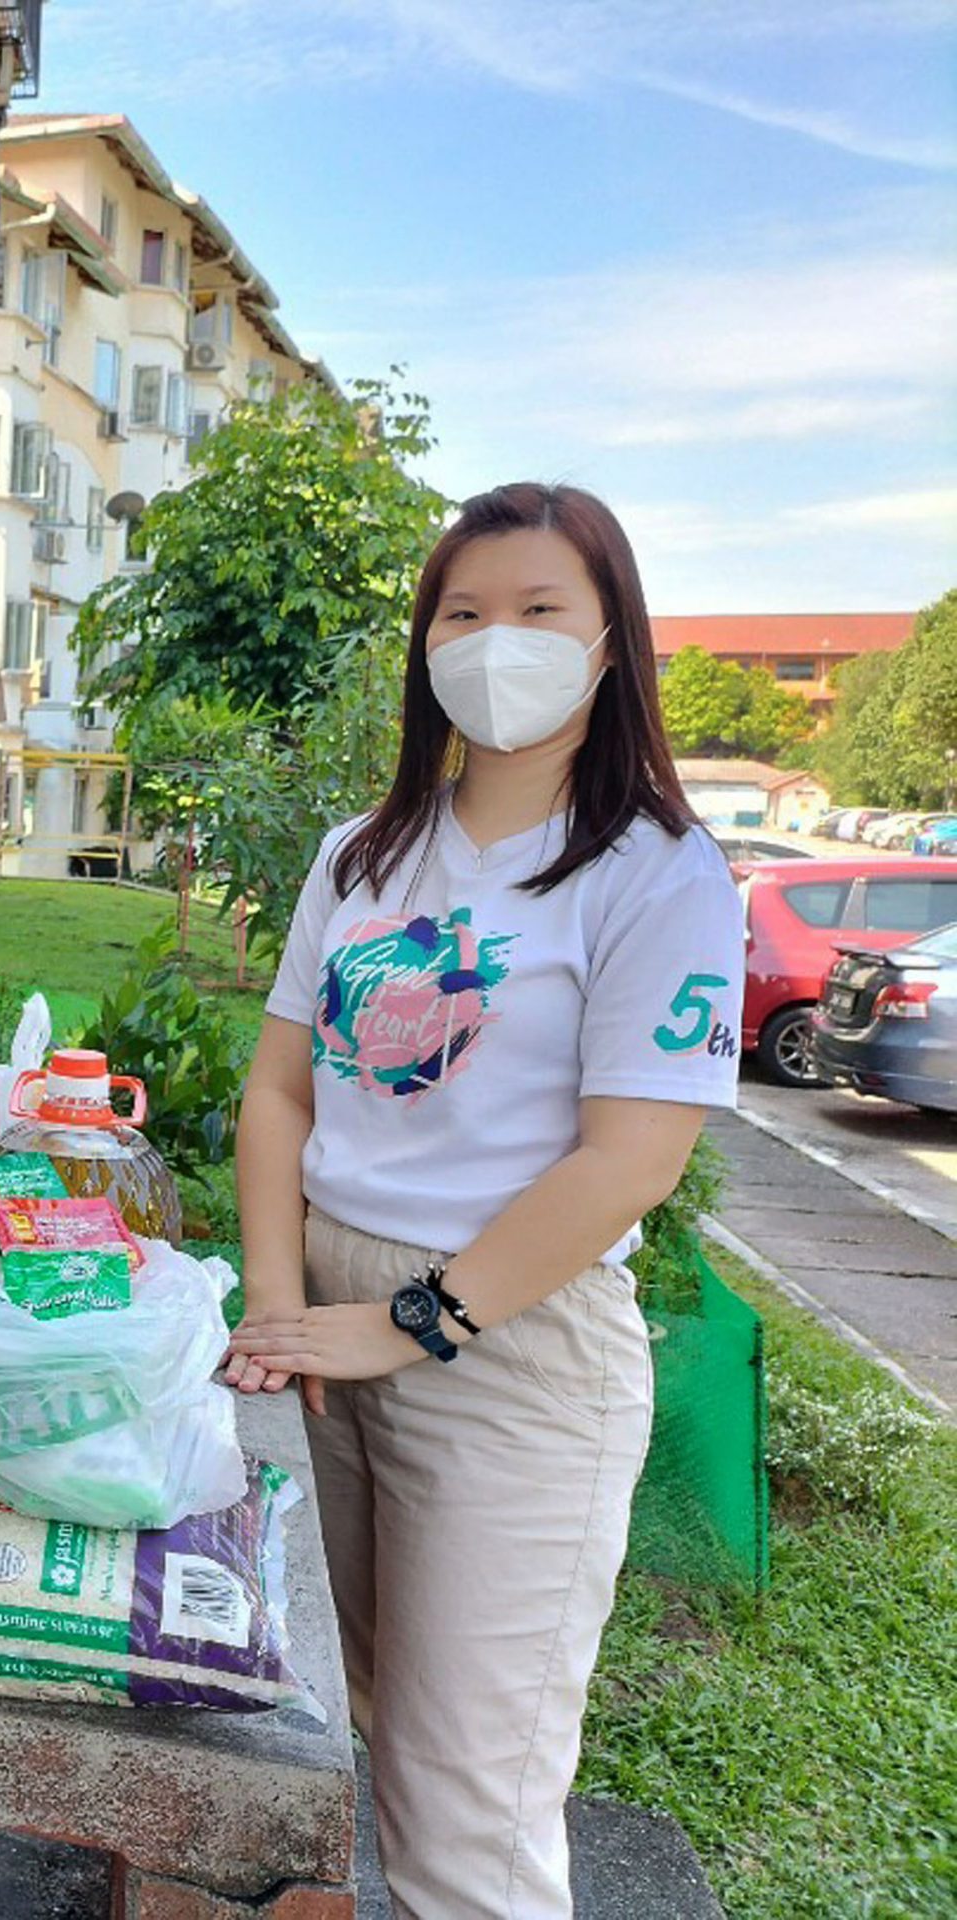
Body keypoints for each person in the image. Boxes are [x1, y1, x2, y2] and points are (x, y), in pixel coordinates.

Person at [224, 484, 744, 1918]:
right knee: (331, 1706)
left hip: (507, 1338)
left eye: (537, 611)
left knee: (468, 1814)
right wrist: (282, 1302)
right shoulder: (363, 853)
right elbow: (278, 1095)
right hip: (328, 1316)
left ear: (609, 643)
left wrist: (415, 1321)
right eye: (463, 612)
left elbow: (631, 1160)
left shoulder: (660, 874)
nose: (494, 641)